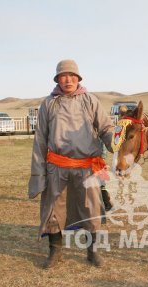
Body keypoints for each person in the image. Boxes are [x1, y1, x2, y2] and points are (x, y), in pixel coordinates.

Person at [28, 59, 115, 268]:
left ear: (78, 78)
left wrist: (116, 143)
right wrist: (38, 174)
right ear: (58, 79)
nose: (68, 79)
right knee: (53, 211)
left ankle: (92, 252)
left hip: (87, 168)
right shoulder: (49, 103)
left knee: (91, 209)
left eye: (72, 76)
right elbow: (40, 139)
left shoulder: (90, 100)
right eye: (63, 76)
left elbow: (105, 128)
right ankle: (55, 253)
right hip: (57, 167)